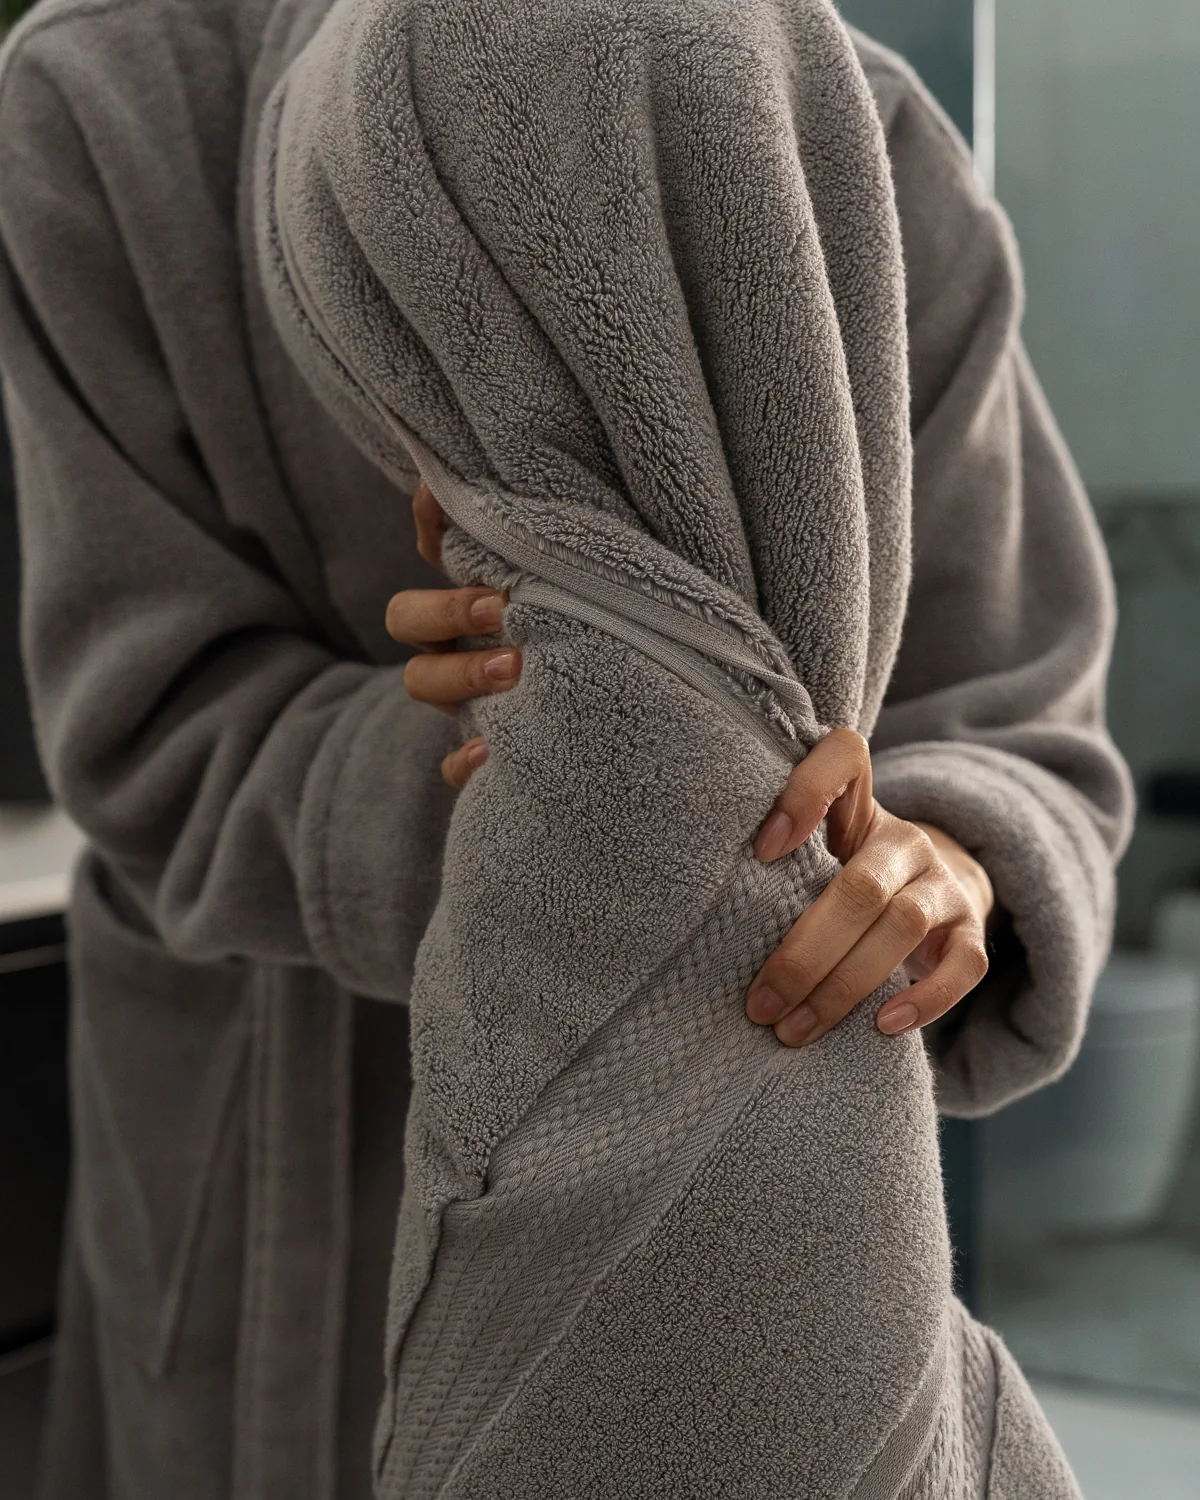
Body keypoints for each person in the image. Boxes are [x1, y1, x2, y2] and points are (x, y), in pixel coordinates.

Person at [0, 0, 1131, 1494]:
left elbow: (1024, 706)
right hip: (264, 1163)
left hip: (746, 1129)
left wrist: (954, 858)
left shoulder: (837, 117)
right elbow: (147, 722)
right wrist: (579, 765)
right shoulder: (105, 99)